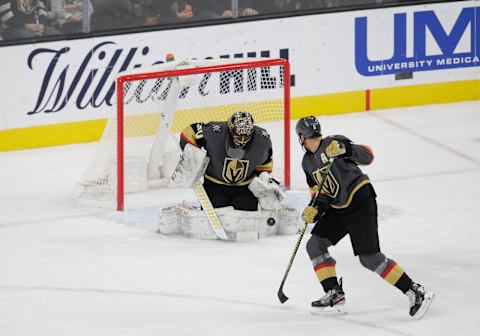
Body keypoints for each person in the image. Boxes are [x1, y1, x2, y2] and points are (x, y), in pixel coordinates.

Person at [296, 115, 434, 319]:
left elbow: (368, 156)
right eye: (311, 137)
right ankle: (334, 295)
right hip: (339, 208)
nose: (314, 140)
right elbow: (321, 193)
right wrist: (314, 208)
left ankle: (415, 291)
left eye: (315, 136)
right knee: (314, 245)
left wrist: (346, 149)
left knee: (369, 258)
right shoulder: (307, 163)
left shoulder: (334, 142)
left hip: (359, 199)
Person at [178, 111, 276, 211]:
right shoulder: (215, 132)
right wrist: (192, 155)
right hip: (214, 186)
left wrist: (265, 184)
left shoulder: (262, 140)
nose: (242, 139)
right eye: (238, 134)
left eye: (246, 135)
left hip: (245, 189)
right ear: (230, 127)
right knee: (214, 222)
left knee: (246, 221)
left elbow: (264, 165)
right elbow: (189, 133)